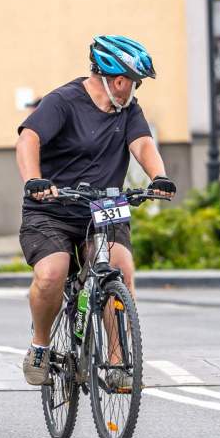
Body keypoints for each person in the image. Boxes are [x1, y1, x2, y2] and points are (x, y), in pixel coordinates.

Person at [15, 35, 176, 386]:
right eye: (134, 82)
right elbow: (29, 138)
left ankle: (117, 364)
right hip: (52, 207)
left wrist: (158, 176)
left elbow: (142, 143)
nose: (135, 89)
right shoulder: (63, 101)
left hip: (105, 206)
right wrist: (34, 180)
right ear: (117, 79)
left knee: (119, 269)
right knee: (52, 274)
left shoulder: (128, 110)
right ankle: (40, 345)